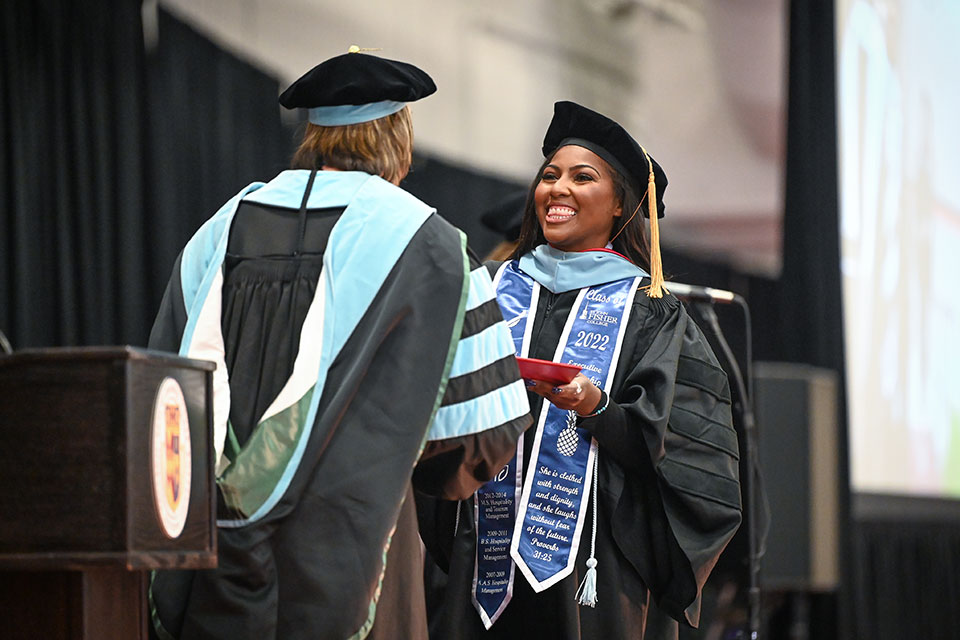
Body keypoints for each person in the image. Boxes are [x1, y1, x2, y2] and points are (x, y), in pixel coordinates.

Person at [147, 51, 531, 640]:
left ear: (314, 134)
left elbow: (162, 395)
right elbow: (480, 440)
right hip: (357, 548)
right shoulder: (432, 247)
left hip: (207, 557)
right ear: (398, 133)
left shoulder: (218, 230)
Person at [420, 101, 742, 640]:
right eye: (549, 176)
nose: (557, 189)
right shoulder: (490, 288)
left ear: (620, 204)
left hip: (595, 565)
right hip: (482, 552)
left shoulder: (651, 311)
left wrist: (600, 409)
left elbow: (689, 452)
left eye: (582, 177)